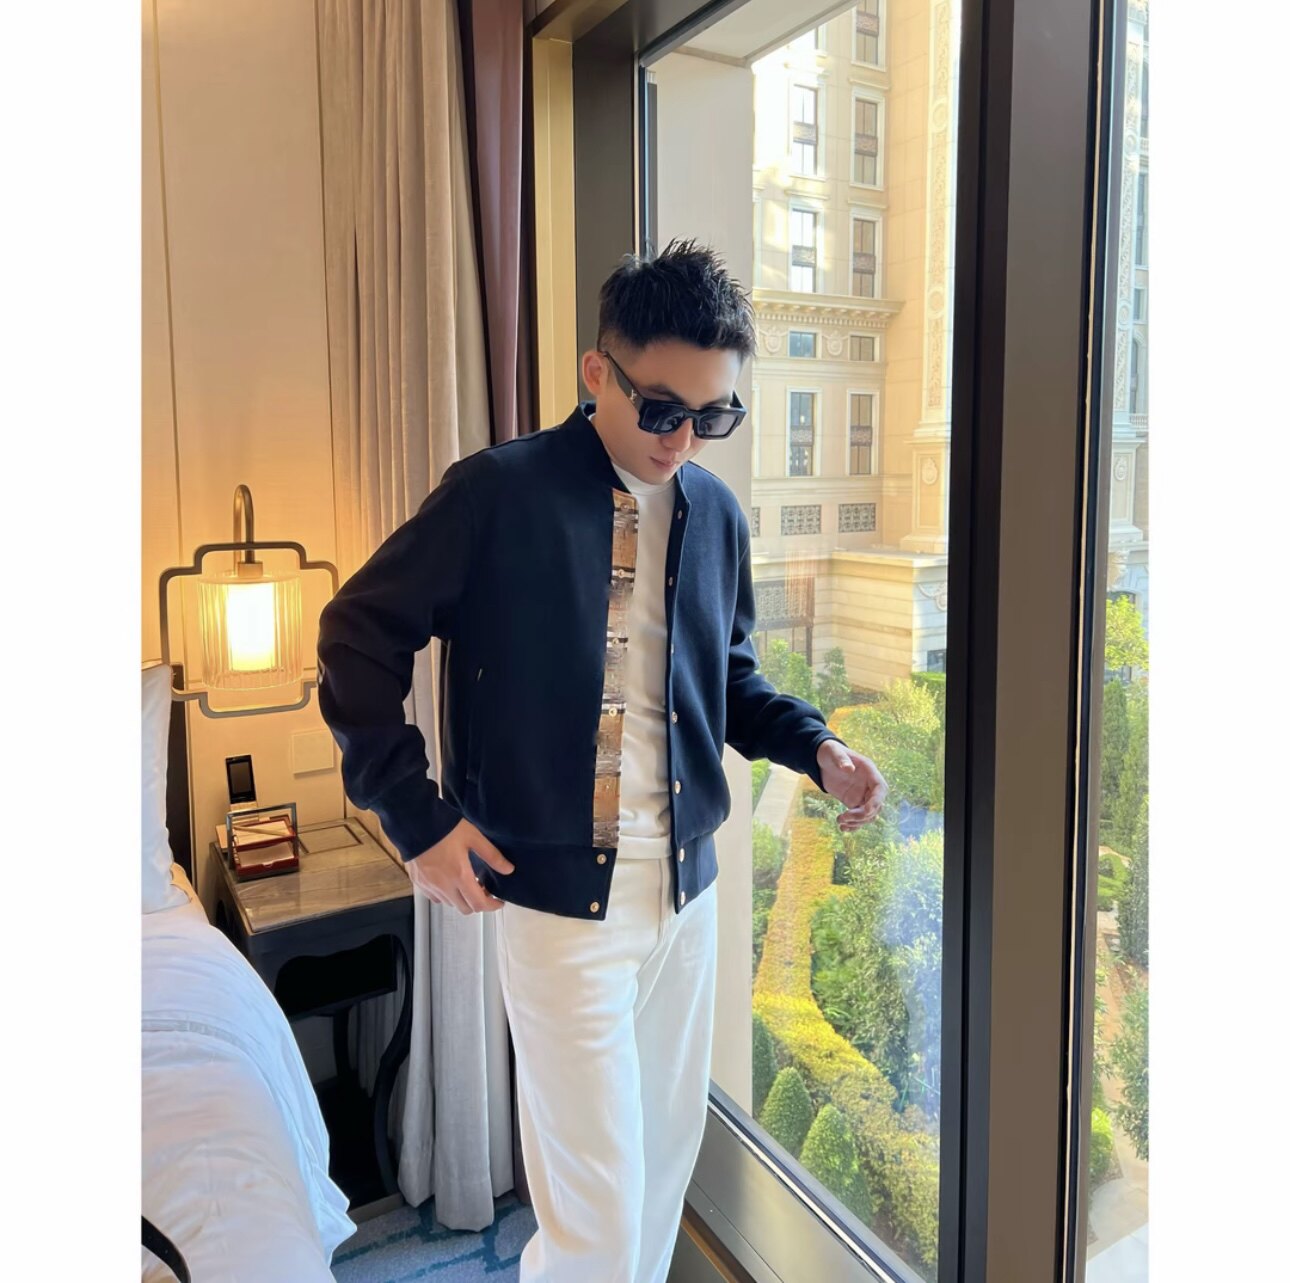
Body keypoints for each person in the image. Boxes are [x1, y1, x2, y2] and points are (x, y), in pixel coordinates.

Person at [316, 237, 888, 1283]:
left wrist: (815, 744)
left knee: (662, 1167)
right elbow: (355, 637)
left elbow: (727, 680)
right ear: (598, 371)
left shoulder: (716, 515)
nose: (685, 439)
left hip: (687, 897)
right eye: (662, 409)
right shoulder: (496, 495)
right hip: (560, 907)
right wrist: (416, 817)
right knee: (597, 1214)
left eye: (713, 415)